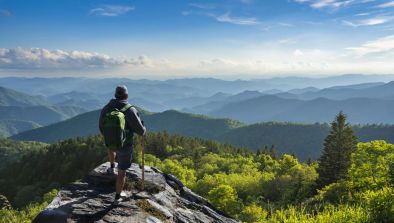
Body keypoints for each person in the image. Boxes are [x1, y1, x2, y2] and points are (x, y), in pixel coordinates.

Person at [99, 85, 146, 203]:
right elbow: (140, 131)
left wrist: (108, 136)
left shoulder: (106, 108)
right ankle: (117, 197)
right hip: (126, 145)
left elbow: (101, 126)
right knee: (122, 173)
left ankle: (111, 167)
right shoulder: (130, 110)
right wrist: (144, 128)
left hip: (110, 142)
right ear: (126, 95)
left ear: (115, 95)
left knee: (111, 147)